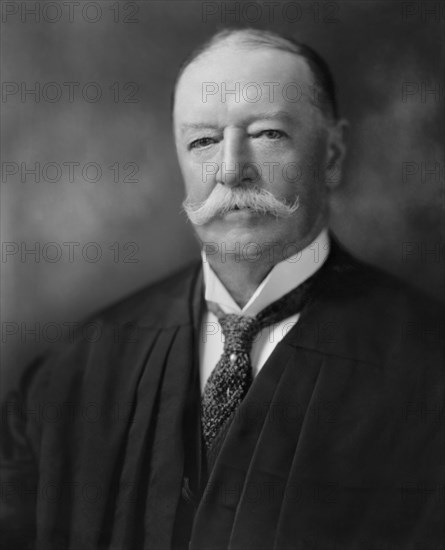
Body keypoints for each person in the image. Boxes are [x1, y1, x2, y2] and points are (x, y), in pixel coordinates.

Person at [1, 28, 443, 550]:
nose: (232, 170)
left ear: (332, 155)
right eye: (204, 141)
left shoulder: (427, 366)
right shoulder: (72, 371)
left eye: (268, 134)